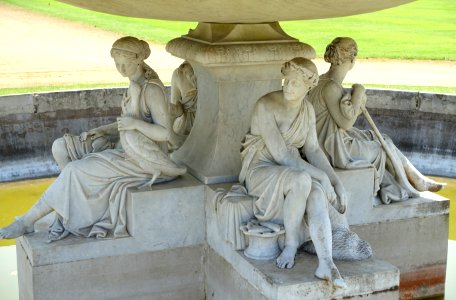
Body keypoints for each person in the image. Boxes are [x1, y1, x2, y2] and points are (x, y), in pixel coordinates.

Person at [0, 36, 186, 242]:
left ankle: (27, 221)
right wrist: (103, 130)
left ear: (138, 60)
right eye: (116, 64)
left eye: (124, 63)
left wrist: (134, 125)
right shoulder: (134, 84)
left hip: (141, 161)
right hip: (124, 147)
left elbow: (165, 133)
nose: (121, 68)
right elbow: (128, 123)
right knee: (61, 147)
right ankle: (72, 205)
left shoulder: (151, 90)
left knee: (73, 170)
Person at [239, 57, 347, 287]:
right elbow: (283, 156)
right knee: (302, 181)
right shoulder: (265, 105)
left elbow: (313, 150)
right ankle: (291, 244)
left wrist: (335, 181)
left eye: (295, 83)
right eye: (286, 81)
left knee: (317, 194)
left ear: (309, 86)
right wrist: (322, 177)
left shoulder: (307, 110)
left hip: (293, 170)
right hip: (262, 169)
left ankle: (326, 263)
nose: (288, 86)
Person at [308, 37, 444, 204]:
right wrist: (359, 93)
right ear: (352, 59)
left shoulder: (322, 81)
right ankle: (400, 186)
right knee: (381, 147)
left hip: (328, 140)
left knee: (379, 137)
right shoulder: (331, 87)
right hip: (333, 149)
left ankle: (416, 179)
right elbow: (346, 123)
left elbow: (338, 119)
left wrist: (355, 102)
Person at [169, 61, 197, 146]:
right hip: (209, 126)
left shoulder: (179, 73)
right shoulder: (212, 72)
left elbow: (175, 106)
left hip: (185, 127)